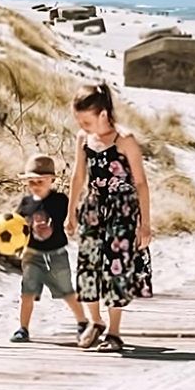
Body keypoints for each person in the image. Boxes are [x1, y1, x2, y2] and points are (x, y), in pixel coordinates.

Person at [66, 83, 153, 353]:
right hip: (92, 209)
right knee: (87, 266)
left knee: (117, 269)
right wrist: (70, 213)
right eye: (79, 121)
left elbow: (141, 183)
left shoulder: (125, 140)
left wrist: (145, 225)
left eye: (86, 120)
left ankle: (114, 332)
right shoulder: (83, 138)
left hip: (122, 212)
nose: (82, 126)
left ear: (103, 113)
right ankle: (96, 321)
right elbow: (78, 177)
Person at [11, 154, 88, 343]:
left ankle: (83, 323)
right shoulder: (26, 203)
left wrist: (74, 225)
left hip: (57, 254)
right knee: (27, 292)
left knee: (67, 291)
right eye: (31, 181)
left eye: (40, 181)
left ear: (52, 180)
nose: (35, 185)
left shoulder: (60, 201)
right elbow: (17, 225)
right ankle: (23, 328)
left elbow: (74, 218)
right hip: (32, 254)